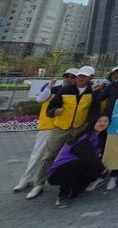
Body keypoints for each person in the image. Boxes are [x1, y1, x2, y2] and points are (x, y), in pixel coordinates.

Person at [27, 66, 103, 201]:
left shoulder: (92, 92)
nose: (80, 78)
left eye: (84, 76)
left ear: (91, 78)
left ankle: (69, 183)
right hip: (60, 128)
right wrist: (54, 112)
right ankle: (38, 183)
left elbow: (94, 111)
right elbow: (51, 108)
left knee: (75, 157)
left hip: (79, 129)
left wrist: (88, 126)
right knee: (49, 155)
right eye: (79, 76)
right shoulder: (66, 90)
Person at [13, 69, 78, 194]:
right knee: (38, 155)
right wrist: (49, 86)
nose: (69, 79)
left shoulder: (77, 92)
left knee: (55, 157)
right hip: (48, 126)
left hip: (65, 128)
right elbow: (40, 99)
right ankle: (26, 180)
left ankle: (41, 181)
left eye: (72, 77)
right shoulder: (53, 89)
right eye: (67, 76)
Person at [46, 114, 110, 208]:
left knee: (94, 169)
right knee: (78, 164)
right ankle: (62, 196)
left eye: (105, 121)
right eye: (100, 121)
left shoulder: (101, 137)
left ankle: (75, 189)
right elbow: (88, 156)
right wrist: (103, 168)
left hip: (77, 168)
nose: (103, 123)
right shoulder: (84, 138)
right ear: (93, 123)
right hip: (59, 172)